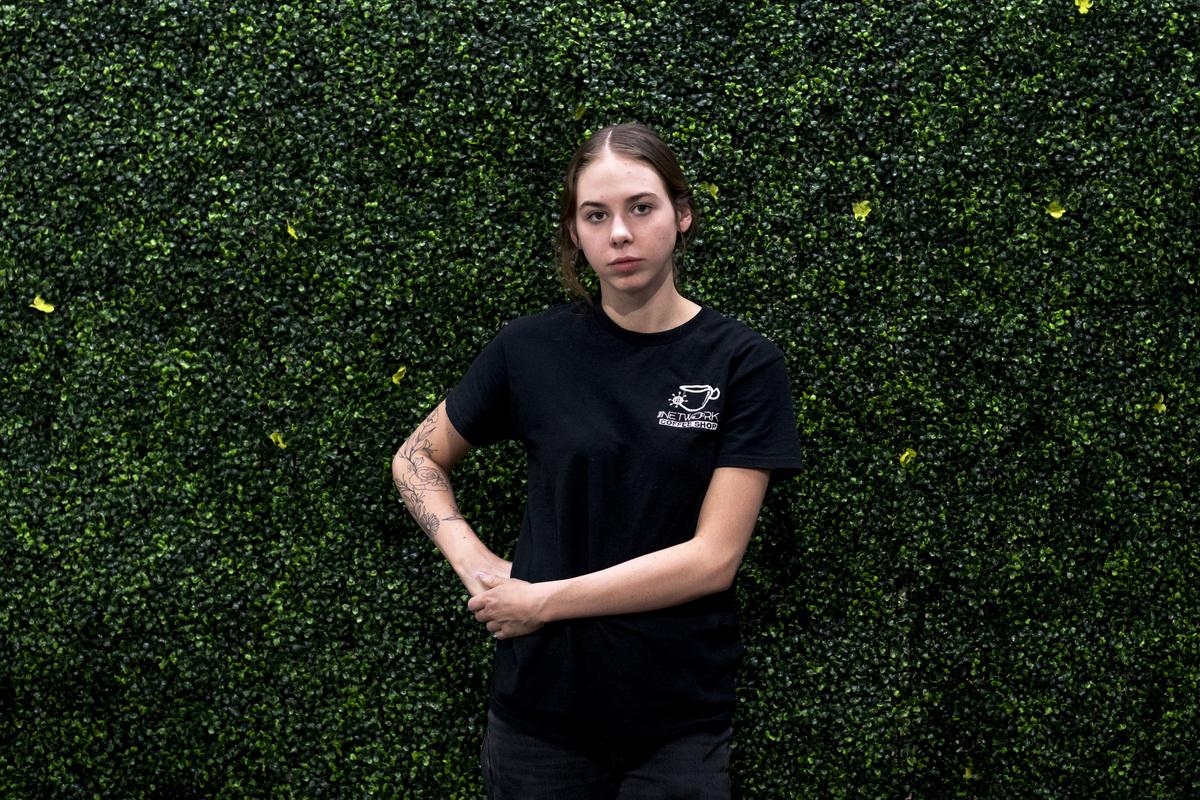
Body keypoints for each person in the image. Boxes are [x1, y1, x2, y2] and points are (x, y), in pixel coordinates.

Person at [391, 122, 804, 799]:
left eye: (641, 207)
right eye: (596, 214)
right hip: (538, 725)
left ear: (683, 214)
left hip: (676, 728)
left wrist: (541, 602)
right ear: (575, 233)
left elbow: (713, 559)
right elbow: (415, 459)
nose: (619, 233)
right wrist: (476, 562)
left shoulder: (741, 363)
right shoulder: (528, 351)